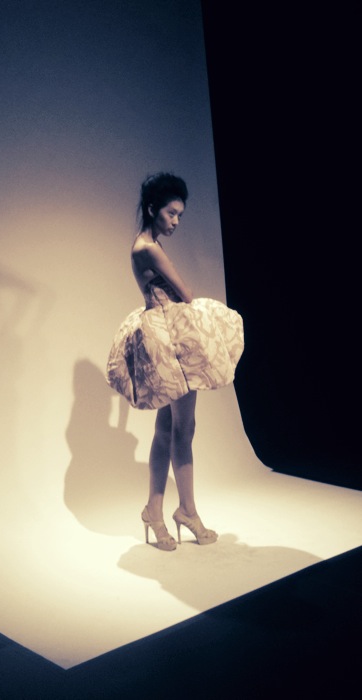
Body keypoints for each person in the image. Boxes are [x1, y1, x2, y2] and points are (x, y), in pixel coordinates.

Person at [106, 173, 244, 551]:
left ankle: (157, 509)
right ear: (153, 209)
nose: (176, 221)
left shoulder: (143, 244)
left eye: (180, 215)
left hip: (164, 334)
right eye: (171, 213)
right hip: (170, 338)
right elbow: (185, 292)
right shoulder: (149, 248)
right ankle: (187, 510)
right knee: (183, 429)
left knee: (168, 429)